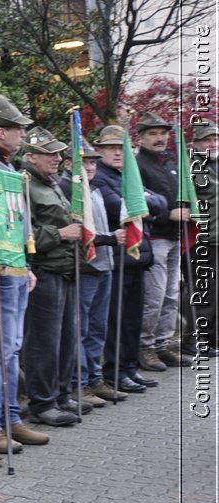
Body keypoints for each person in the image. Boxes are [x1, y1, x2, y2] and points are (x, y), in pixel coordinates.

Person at [0, 94, 55, 452]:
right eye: (19, 129)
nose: (23, 135)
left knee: (12, 348)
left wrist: (26, 264)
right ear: (1, 132)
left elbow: (16, 223)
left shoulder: (2, 165)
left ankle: (10, 418)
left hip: (15, 265)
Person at [17, 129, 88, 425]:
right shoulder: (23, 184)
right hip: (44, 271)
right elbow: (21, 233)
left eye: (59, 153)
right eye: (51, 154)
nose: (58, 158)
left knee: (67, 338)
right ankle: (42, 403)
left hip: (66, 268)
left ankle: (60, 395)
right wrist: (59, 234)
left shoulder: (52, 183)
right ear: (31, 157)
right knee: (43, 342)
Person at [94, 123, 161, 394]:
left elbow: (161, 203)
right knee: (116, 322)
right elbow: (117, 207)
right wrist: (140, 203)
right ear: (99, 151)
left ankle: (130, 368)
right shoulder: (99, 177)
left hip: (138, 258)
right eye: (110, 148)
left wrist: (140, 202)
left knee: (132, 320)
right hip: (118, 259)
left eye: (120, 148)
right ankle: (115, 372)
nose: (116, 153)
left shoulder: (129, 178)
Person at [135, 112, 192, 371]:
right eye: (153, 134)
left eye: (163, 133)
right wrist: (167, 214)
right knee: (155, 297)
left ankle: (163, 345)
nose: (160, 138)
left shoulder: (170, 161)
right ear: (141, 137)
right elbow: (138, 202)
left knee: (171, 295)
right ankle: (145, 347)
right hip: (154, 237)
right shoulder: (138, 165)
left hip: (173, 237)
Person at [74, 142, 127, 405]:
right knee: (81, 328)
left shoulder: (94, 190)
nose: (90, 167)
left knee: (98, 328)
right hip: (86, 268)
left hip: (104, 266)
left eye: (93, 162)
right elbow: (79, 234)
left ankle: (95, 378)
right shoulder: (70, 190)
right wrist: (109, 239)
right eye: (85, 162)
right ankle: (80, 383)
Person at [189, 120, 219, 357]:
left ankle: (213, 339)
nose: (213, 143)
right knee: (205, 291)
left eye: (215, 139)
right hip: (205, 238)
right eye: (207, 139)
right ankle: (197, 340)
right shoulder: (191, 167)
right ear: (196, 143)